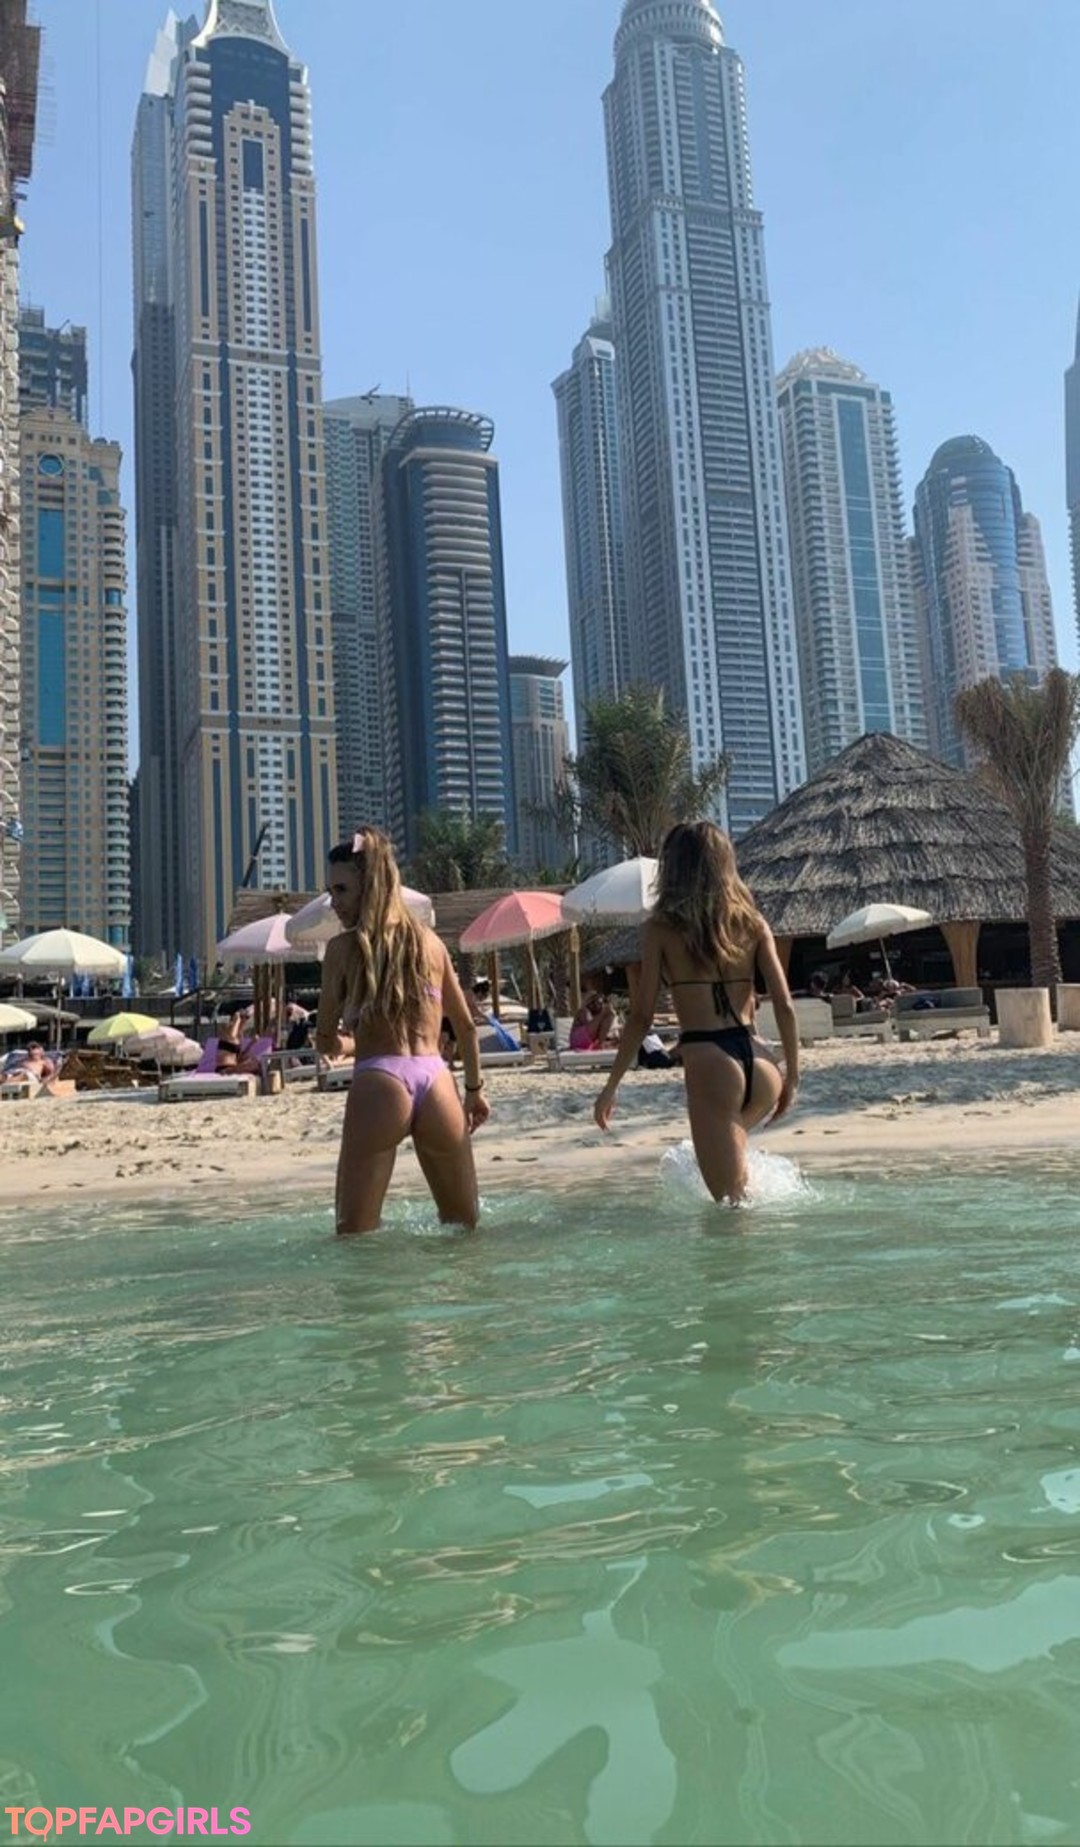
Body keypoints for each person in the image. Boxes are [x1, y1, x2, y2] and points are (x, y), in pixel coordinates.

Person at [593, 821, 799, 1205]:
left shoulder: (661, 929)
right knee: (739, 1189)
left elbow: (640, 1017)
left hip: (711, 1062)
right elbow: (785, 1005)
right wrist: (793, 1078)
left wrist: (611, 1086)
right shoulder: (753, 923)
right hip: (761, 1062)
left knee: (731, 1205)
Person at [316, 828, 489, 1234]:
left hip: (379, 1084)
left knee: (355, 1237)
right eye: (330, 891)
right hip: (437, 1082)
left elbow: (325, 1039)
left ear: (370, 886)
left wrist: (348, 1042)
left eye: (341, 890)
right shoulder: (431, 944)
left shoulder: (342, 950)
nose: (333, 902)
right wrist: (475, 1091)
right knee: (465, 1231)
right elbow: (466, 1027)